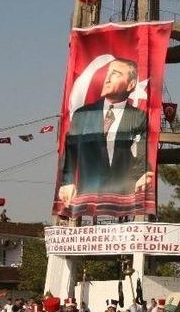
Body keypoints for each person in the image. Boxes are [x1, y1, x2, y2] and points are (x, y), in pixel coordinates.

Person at [57, 58, 151, 205]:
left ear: (131, 85)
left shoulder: (138, 117)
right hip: (86, 194)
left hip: (124, 196)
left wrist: (142, 175)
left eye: (115, 74)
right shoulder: (83, 115)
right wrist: (67, 182)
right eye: (107, 73)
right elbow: (70, 151)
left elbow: (142, 153)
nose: (107, 79)